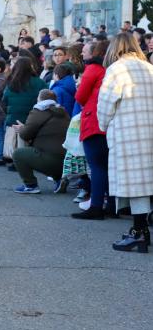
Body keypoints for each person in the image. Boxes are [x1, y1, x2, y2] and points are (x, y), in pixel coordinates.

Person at [97, 34, 153, 252]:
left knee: (136, 185)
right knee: (147, 182)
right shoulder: (149, 68)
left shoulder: (117, 69)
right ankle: (141, 231)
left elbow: (105, 104)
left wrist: (103, 125)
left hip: (128, 132)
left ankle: (139, 232)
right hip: (149, 130)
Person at [71, 39, 111, 220]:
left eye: (85, 50)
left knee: (97, 166)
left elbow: (80, 96)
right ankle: (111, 205)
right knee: (107, 166)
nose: (81, 53)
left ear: (94, 53)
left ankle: (96, 206)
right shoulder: (106, 69)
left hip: (93, 121)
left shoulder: (93, 70)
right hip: (106, 122)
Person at [11, 89, 70, 194]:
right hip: (66, 161)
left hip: (48, 159)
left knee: (18, 154)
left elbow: (25, 135)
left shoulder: (38, 111)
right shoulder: (64, 112)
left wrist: (22, 129)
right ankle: (60, 179)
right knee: (51, 153)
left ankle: (31, 185)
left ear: (40, 99)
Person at [1, 56, 46, 167]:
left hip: (13, 117)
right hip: (33, 117)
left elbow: (4, 100)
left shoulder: (11, 82)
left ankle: (17, 162)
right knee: (27, 141)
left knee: (15, 141)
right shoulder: (39, 82)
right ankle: (27, 162)